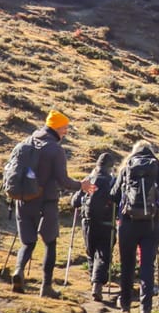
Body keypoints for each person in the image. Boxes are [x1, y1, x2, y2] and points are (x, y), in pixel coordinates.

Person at [10, 110, 96, 298]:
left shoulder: (27, 142)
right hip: (46, 203)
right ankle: (46, 287)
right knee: (50, 243)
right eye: (64, 128)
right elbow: (63, 180)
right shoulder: (55, 150)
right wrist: (81, 186)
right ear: (56, 127)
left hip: (23, 200)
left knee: (27, 242)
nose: (66, 131)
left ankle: (18, 271)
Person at [110, 140, 159, 313]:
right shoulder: (158, 170)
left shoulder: (127, 168)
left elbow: (114, 195)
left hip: (127, 224)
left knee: (127, 265)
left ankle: (125, 307)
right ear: (152, 152)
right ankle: (145, 310)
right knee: (147, 266)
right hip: (151, 225)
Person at [70, 152, 118, 302]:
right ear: (111, 167)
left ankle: (93, 282)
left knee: (91, 252)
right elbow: (118, 200)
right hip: (106, 224)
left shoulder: (90, 180)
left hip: (88, 222)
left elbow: (75, 202)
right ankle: (97, 285)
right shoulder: (113, 182)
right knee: (103, 255)